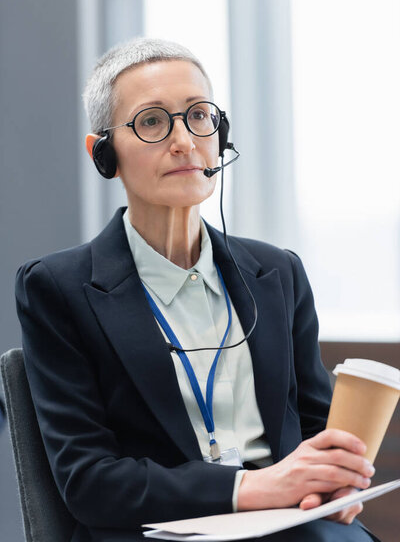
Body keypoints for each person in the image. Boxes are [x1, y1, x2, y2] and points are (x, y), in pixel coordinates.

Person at [15, 38, 380, 542]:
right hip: (155, 531)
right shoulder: (57, 288)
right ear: (103, 152)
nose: (184, 140)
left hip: (288, 523)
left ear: (220, 133)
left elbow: (319, 426)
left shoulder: (278, 272)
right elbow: (89, 481)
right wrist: (250, 487)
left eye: (199, 116)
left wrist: (337, 483)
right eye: (151, 121)